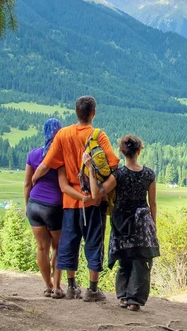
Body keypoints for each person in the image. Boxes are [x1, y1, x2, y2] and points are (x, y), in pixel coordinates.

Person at [31, 96, 119, 301]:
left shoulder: (63, 134)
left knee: (70, 242)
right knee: (94, 242)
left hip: (70, 201)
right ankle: (93, 290)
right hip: (95, 201)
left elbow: (47, 164)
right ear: (93, 113)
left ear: (76, 112)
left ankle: (71, 287)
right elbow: (113, 164)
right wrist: (101, 192)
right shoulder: (99, 135)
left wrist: (34, 179)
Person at [85, 135, 159, 312]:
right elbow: (153, 202)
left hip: (121, 221)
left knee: (124, 258)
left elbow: (97, 194)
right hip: (142, 221)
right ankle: (135, 300)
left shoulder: (118, 175)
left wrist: (91, 170)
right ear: (139, 150)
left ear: (122, 151)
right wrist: (153, 225)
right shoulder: (149, 174)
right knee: (140, 260)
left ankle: (124, 297)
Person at [24, 118, 63, 297]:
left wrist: (27, 206)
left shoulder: (33, 154)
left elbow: (27, 184)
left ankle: (47, 286)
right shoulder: (61, 155)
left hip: (34, 204)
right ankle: (57, 287)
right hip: (54, 206)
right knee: (58, 247)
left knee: (41, 247)